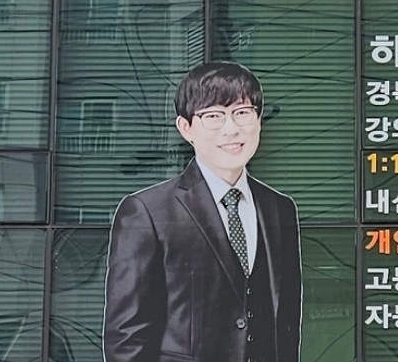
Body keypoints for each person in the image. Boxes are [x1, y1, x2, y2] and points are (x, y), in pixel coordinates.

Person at [103, 62, 301, 362]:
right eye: (213, 116)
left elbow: (287, 323)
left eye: (242, 113)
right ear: (186, 128)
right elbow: (126, 337)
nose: (231, 128)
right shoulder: (147, 211)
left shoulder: (279, 208)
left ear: (259, 120)